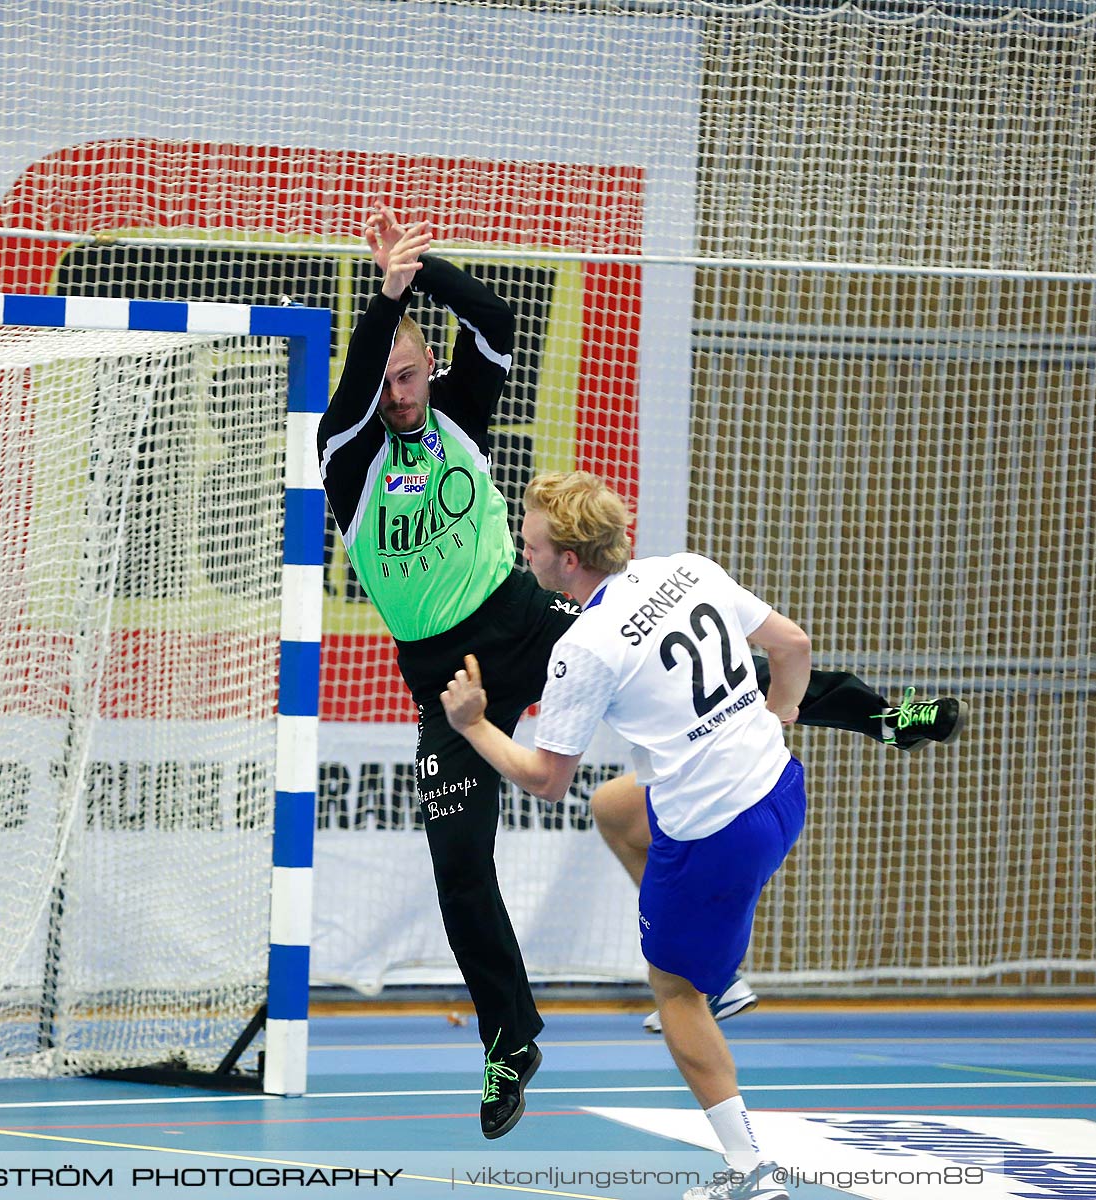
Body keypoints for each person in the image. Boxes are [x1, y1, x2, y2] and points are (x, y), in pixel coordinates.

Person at [317, 207, 960, 1141]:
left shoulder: (456, 412)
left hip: (521, 614)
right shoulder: (349, 455)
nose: (402, 395)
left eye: (411, 375)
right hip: (444, 670)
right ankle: (509, 1038)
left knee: (709, 666)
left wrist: (422, 277)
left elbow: (495, 320)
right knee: (458, 868)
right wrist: (381, 312)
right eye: (387, 383)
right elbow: (359, 388)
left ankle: (883, 718)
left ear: (427, 372)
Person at [440, 470, 809, 1199]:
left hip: (714, 832)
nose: (525, 552)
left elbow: (545, 779)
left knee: (673, 989)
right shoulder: (687, 569)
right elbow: (793, 645)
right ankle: (719, 969)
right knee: (614, 805)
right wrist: (777, 719)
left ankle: (751, 1172)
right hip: (783, 789)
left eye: (531, 544)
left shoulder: (588, 645)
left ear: (566, 561)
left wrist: (473, 724)